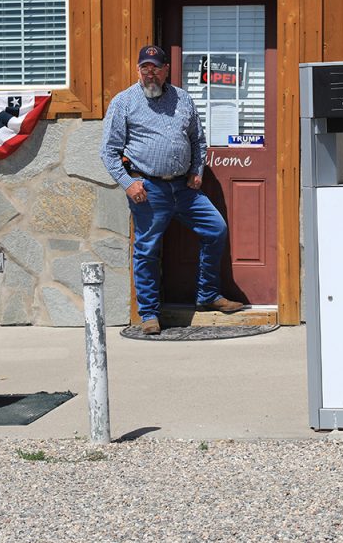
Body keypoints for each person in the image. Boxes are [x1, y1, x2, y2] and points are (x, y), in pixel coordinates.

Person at [100, 45, 245, 335]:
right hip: (148, 189)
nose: (150, 73)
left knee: (216, 229)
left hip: (184, 188)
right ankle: (149, 313)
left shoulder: (183, 99)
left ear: (166, 69)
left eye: (155, 67)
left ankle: (207, 295)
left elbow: (198, 141)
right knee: (147, 250)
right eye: (145, 67)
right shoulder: (123, 102)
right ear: (138, 70)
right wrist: (129, 184)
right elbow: (108, 151)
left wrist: (196, 170)